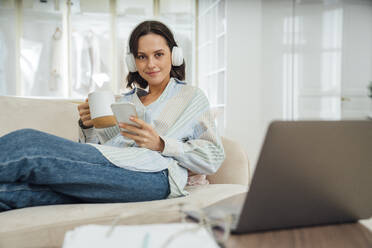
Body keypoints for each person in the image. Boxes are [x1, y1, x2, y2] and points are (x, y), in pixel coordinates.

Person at [0, 20, 225, 212]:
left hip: (154, 175)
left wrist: (161, 144)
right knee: (12, 193)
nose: (151, 64)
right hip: (112, 172)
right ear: (132, 62)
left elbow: (213, 156)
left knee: (28, 142)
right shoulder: (124, 102)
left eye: (158, 54)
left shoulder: (191, 96)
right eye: (142, 57)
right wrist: (88, 127)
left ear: (174, 55)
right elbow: (94, 155)